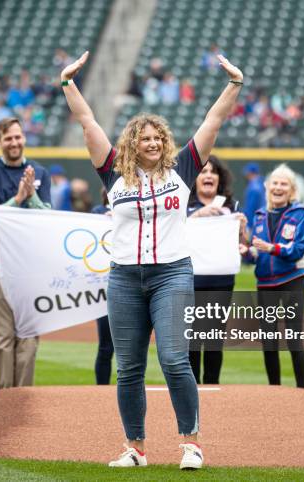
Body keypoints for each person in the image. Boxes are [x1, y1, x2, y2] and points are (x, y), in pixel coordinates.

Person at [61, 50, 243, 470]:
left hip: (172, 275)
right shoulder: (112, 173)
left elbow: (211, 123)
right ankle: (135, 449)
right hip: (124, 278)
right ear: (132, 142)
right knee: (128, 369)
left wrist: (233, 85)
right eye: (145, 138)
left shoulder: (183, 169)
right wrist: (68, 84)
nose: (153, 142)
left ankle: (191, 445)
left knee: (176, 360)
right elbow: (88, 123)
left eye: (158, 137)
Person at [0, 117, 51, 389]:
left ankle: (24, 397)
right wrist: (17, 200)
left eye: (18, 137)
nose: (14, 142)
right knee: (3, 336)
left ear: (24, 138)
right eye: (8, 138)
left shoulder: (39, 172)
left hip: (30, 265)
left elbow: (47, 217)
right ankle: (3, 399)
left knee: (29, 335)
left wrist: (31, 196)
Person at [240, 164, 304, 389]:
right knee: (269, 341)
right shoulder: (260, 215)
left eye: (284, 184)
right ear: (267, 187)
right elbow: (256, 254)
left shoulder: (300, 214)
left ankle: (303, 391)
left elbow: (298, 249)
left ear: (292, 190)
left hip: (292, 280)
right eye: (275, 183)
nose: (278, 187)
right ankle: (275, 392)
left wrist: (271, 248)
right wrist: (247, 253)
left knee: (293, 338)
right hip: (265, 284)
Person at [186, 156, 246, 384]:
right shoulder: (184, 205)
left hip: (222, 280)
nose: (208, 175)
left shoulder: (231, 206)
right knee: (191, 337)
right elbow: (172, 233)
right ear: (195, 178)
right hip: (190, 279)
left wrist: (242, 229)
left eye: (213, 172)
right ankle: (191, 388)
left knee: (214, 337)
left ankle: (212, 386)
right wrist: (197, 216)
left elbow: (244, 244)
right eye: (203, 172)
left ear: (220, 178)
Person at [91, 188, 114, 385]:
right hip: (105, 288)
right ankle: (101, 392)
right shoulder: (98, 212)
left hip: (135, 282)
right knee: (106, 347)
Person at [242, 162, 265, 235]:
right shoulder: (262, 183)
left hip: (255, 223)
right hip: (263, 221)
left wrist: (248, 226)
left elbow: (250, 209)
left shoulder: (253, 187)